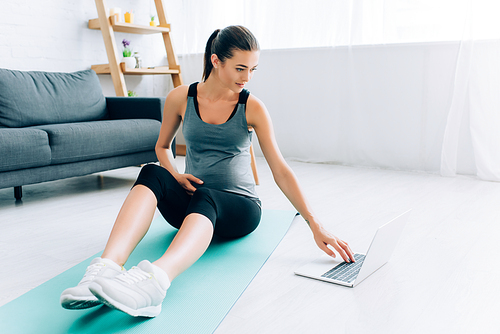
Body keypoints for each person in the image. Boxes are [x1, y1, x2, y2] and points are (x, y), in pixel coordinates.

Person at [60, 25, 355, 318]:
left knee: (209, 196)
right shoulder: (180, 98)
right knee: (151, 173)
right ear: (216, 61)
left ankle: (156, 282)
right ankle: (105, 269)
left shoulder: (252, 106)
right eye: (241, 68)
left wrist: (315, 224)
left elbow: (280, 169)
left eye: (253, 69)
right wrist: (174, 176)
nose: (247, 77)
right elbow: (162, 147)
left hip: (239, 208)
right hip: (193, 205)